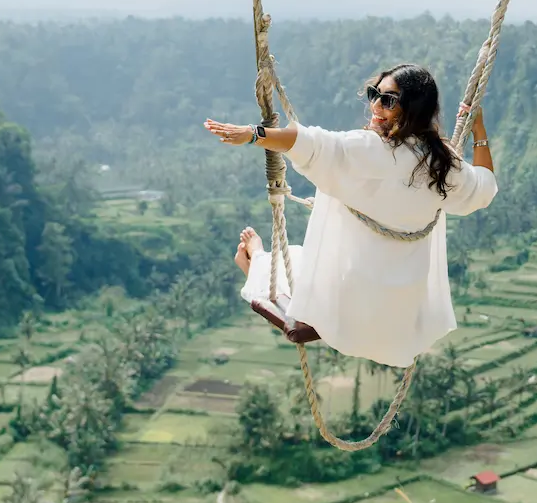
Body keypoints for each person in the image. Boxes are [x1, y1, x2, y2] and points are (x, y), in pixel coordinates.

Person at [203, 63, 497, 368]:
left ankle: (256, 262)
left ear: (412, 108)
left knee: (286, 265)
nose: (375, 106)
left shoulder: (369, 149)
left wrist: (252, 134)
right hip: (399, 327)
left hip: (344, 319)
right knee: (299, 257)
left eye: (388, 100)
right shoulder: (443, 164)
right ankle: (261, 261)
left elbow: (309, 143)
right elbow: (484, 188)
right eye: (374, 95)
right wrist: (479, 131)